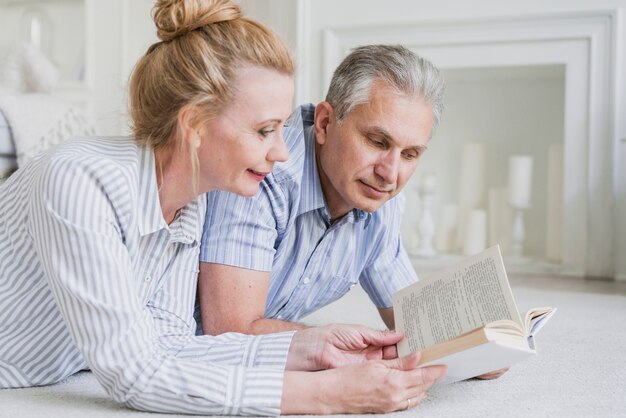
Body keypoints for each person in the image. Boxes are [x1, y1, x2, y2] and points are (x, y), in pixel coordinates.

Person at [0, 0, 446, 415]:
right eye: (265, 130)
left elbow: (169, 344)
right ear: (194, 124)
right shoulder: (80, 180)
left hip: (54, 372)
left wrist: (316, 347)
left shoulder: (190, 208)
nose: (283, 153)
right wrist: (327, 393)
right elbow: (133, 373)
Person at [196, 44, 442, 335]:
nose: (389, 174)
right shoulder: (263, 173)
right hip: (184, 366)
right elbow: (230, 332)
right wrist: (348, 347)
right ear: (325, 122)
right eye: (377, 142)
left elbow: (419, 325)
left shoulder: (380, 200)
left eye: (410, 155)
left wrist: (479, 344)